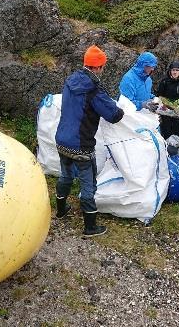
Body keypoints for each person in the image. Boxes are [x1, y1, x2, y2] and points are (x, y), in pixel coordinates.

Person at [55, 45, 124, 238]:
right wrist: (119, 108)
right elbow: (114, 115)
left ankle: (60, 210)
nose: (103, 70)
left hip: (62, 139)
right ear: (97, 67)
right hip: (81, 145)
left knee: (66, 175)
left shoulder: (70, 80)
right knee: (88, 184)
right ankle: (90, 226)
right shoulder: (93, 90)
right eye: (102, 67)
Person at [156, 60, 179, 140]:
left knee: (177, 130)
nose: (175, 72)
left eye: (177, 70)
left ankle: (174, 149)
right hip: (166, 110)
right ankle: (166, 149)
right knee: (167, 131)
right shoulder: (164, 82)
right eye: (173, 70)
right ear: (170, 71)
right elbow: (159, 96)